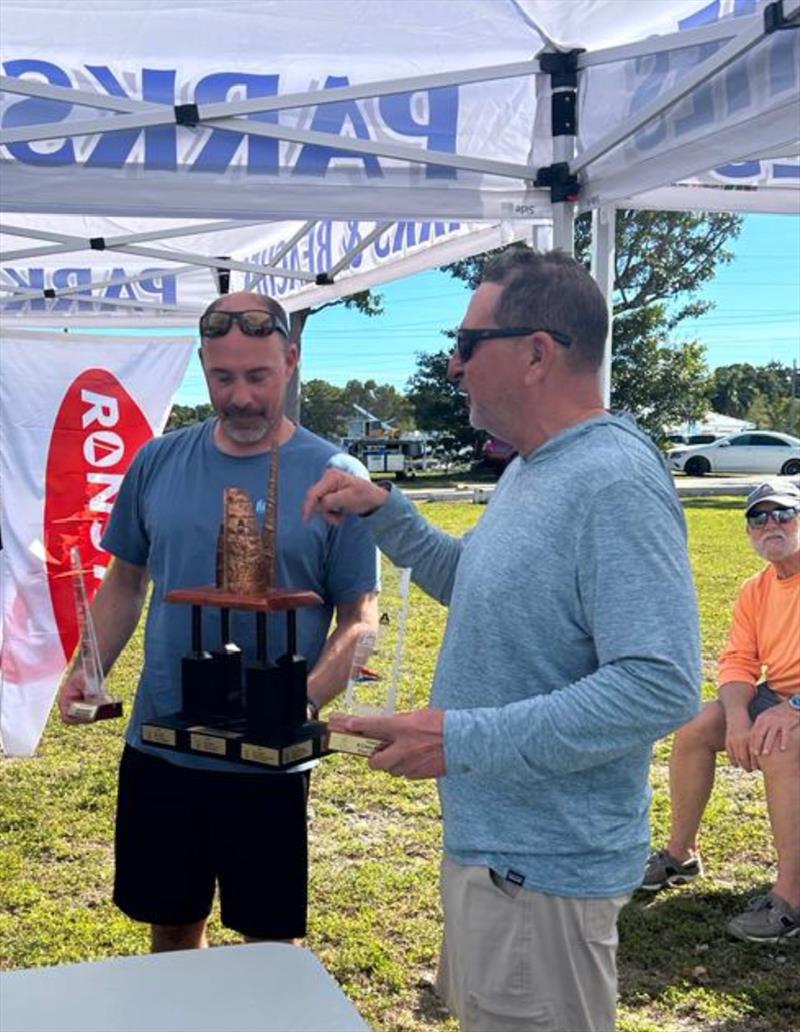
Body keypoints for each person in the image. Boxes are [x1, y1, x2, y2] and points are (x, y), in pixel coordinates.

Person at [303, 249, 701, 1032]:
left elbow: (660, 683)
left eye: (465, 343)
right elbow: (482, 584)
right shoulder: (536, 468)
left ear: (535, 353)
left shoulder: (612, 480)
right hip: (503, 854)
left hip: (543, 870)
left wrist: (459, 738)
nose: (453, 366)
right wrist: (386, 511)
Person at [58, 291, 379, 951]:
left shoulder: (335, 474)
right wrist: (86, 671)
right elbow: (124, 584)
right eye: (222, 377)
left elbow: (360, 616)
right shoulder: (157, 461)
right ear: (203, 365)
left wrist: (301, 698)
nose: (240, 397)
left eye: (258, 376)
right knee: (172, 926)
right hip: (163, 745)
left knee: (268, 944)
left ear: (290, 360)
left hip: (270, 763)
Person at [642, 479, 800, 942]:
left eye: (784, 514)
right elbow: (738, 662)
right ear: (749, 533)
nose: (772, 524)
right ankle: (680, 855)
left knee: (779, 743)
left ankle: (790, 898)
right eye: (759, 517)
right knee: (694, 727)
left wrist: (792, 707)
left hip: (793, 705)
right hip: (779, 696)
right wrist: (737, 719)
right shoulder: (755, 589)